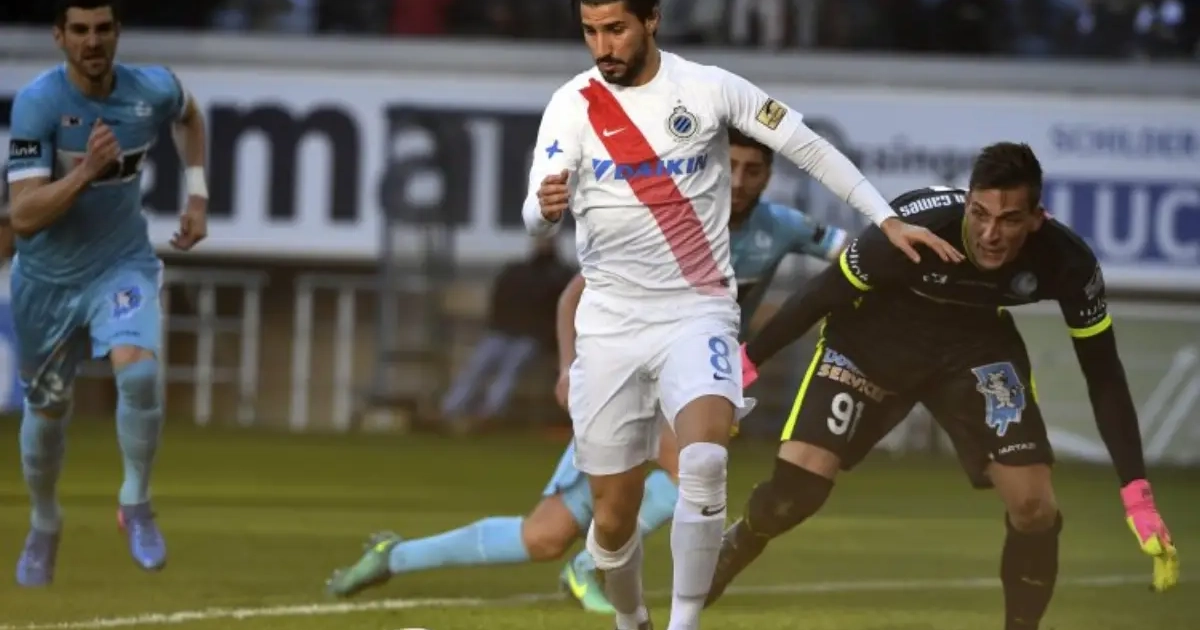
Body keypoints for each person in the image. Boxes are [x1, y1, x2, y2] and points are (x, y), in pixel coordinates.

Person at [525, 1, 961, 628]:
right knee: (612, 519)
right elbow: (535, 214)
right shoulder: (573, 104)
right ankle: (631, 618)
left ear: (652, 20)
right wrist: (543, 209)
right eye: (591, 31)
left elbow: (808, 147)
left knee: (704, 462)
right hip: (610, 325)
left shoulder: (710, 88)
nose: (603, 46)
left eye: (615, 29)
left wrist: (885, 219)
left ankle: (684, 623)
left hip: (696, 310)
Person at [323, 130, 850, 613]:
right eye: (729, 166)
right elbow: (574, 294)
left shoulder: (781, 228)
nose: (738, 181)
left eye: (753, 170)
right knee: (554, 532)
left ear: (768, 176)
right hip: (625, 371)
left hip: (689, 376)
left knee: (667, 482)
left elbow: (853, 251)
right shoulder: (664, 219)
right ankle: (412, 557)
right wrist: (568, 367)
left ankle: (415, 558)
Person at [706, 142, 1180, 629]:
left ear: (1037, 219)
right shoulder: (916, 227)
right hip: (874, 338)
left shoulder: (1068, 261)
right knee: (796, 494)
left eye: (1009, 220)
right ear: (968, 201)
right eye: (980, 214)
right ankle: (742, 539)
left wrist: (1137, 494)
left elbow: (1103, 373)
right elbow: (821, 294)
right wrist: (742, 368)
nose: (990, 234)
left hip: (975, 349)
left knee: (1034, 507)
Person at [6, 0, 209, 587]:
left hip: (121, 265)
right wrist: (84, 172)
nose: (91, 41)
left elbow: (190, 115)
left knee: (138, 372)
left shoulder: (152, 89)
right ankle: (45, 522)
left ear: (118, 32)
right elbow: (23, 216)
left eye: (102, 29)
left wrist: (197, 195)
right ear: (59, 37)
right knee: (47, 413)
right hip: (46, 282)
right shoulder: (38, 104)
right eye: (79, 30)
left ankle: (136, 502)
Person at [438, 236, 575, 433]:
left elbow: (561, 312)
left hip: (532, 336)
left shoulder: (560, 275)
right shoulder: (517, 271)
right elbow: (499, 300)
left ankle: (489, 414)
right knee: (477, 366)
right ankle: (450, 410)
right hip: (502, 331)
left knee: (509, 369)